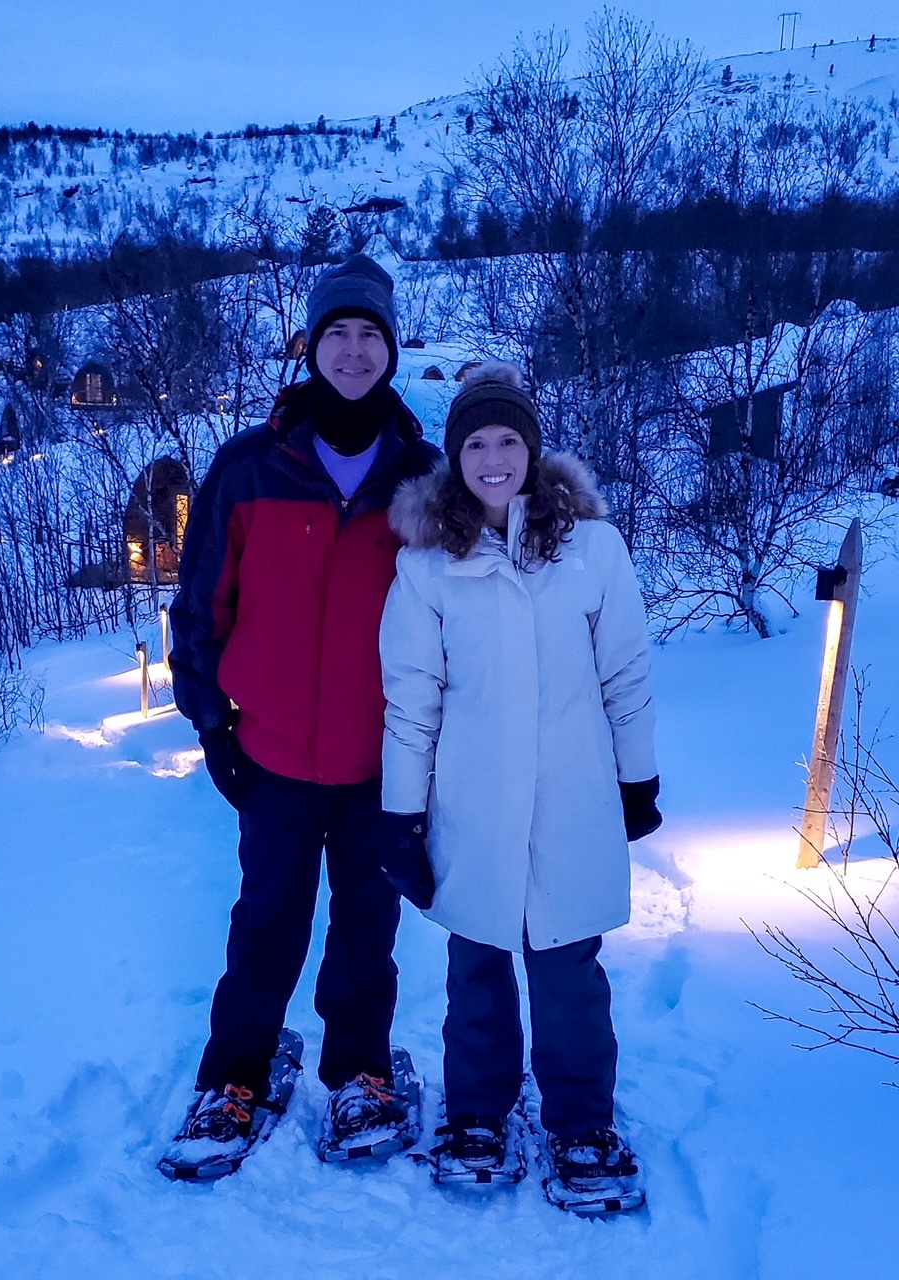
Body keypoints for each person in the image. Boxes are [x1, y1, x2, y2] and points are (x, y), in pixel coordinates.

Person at [163, 253, 441, 1178]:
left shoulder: (424, 478)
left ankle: (359, 1071)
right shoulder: (250, 470)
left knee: (369, 925)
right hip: (273, 757)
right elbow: (203, 606)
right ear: (311, 344)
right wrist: (211, 725)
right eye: (338, 333)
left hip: (380, 762)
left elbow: (460, 623)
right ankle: (235, 1074)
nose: (354, 351)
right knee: (267, 920)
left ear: (391, 349)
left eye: (371, 334)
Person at [378, 361, 660, 1209]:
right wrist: (402, 816)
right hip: (474, 806)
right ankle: (478, 1113)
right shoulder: (427, 567)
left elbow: (627, 675)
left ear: (531, 450)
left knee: (569, 967)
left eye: (508, 440)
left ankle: (580, 1121)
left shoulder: (593, 549)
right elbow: (410, 703)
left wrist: (636, 780)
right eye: (475, 443)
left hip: (574, 800)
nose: (492, 458)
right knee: (478, 963)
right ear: (454, 457)